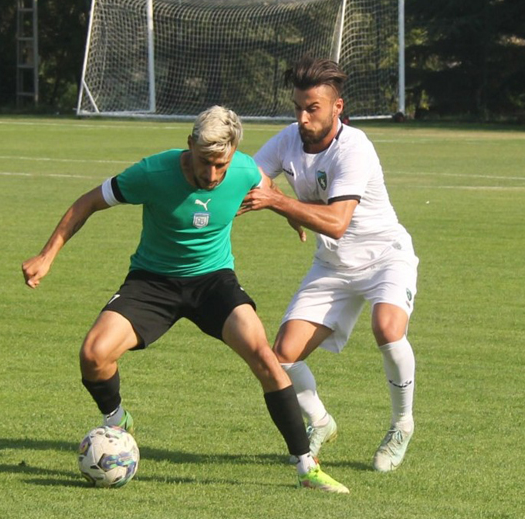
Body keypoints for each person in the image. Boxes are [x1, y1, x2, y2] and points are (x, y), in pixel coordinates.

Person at [21, 106, 349, 493]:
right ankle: (117, 417)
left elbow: (269, 190)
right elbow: (88, 202)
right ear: (190, 145)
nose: (211, 175)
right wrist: (47, 254)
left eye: (220, 165)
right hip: (152, 282)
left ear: (234, 154)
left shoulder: (243, 170)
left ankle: (306, 466)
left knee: (264, 355)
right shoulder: (151, 173)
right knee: (93, 355)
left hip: (214, 283)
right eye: (204, 162)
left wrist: (291, 215)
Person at [239, 58, 419, 472]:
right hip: (333, 266)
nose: (302, 118)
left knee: (388, 330)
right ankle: (321, 421)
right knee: (280, 357)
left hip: (384, 256)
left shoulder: (354, 147)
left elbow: (338, 223)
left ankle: (401, 424)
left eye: (312, 108)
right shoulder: (288, 139)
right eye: (298, 107)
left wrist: (283, 203)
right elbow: (252, 177)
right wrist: (282, 206)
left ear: (337, 107)